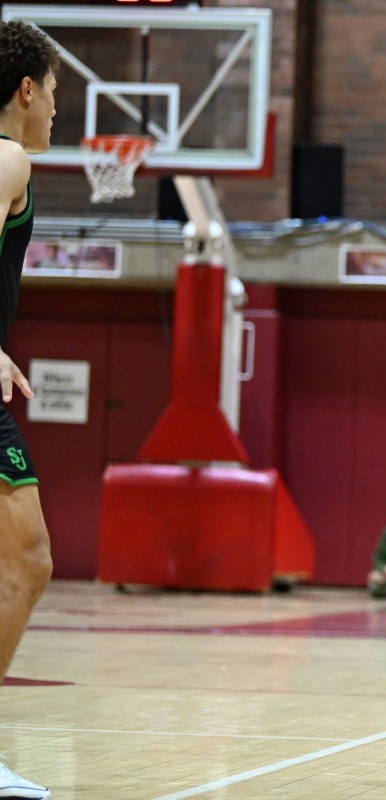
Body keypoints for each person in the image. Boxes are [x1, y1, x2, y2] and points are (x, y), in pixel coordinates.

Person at [0, 20, 56, 800]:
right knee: (28, 559)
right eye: (55, 94)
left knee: (26, 557)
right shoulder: (9, 154)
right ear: (25, 89)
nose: (56, 111)